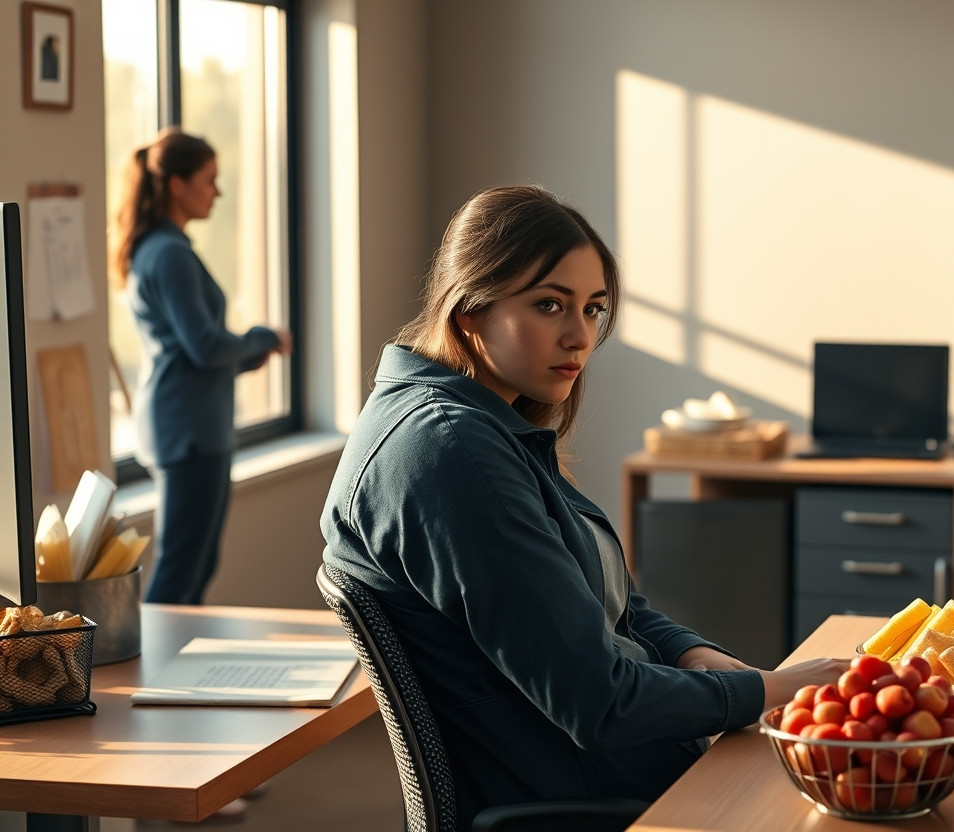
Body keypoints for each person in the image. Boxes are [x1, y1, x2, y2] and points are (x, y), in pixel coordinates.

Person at [320, 185, 845, 825]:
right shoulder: (454, 453)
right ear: (470, 311)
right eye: (549, 305)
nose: (580, 337)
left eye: (593, 309)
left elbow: (604, 602)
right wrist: (772, 688)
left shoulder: (476, 425)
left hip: (612, 769)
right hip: (593, 795)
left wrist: (690, 653)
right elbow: (599, 703)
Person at [111, 129, 291, 605]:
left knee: (194, 564)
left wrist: (252, 354)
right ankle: (154, 675)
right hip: (189, 431)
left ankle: (172, 667)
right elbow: (205, 347)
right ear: (176, 184)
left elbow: (194, 352)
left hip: (184, 422)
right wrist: (264, 337)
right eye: (209, 180)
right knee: (181, 569)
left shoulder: (160, 249)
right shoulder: (169, 254)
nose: (217, 192)